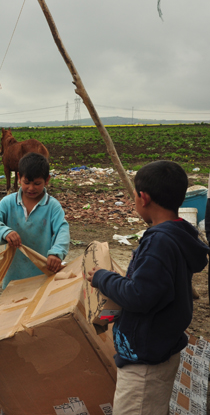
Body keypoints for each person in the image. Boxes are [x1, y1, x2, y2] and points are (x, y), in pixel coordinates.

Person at [86, 161, 209, 415]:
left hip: (145, 365)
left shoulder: (160, 242)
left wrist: (102, 278)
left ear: (143, 198)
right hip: (157, 350)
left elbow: (139, 295)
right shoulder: (176, 235)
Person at [0, 152, 69, 288]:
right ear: (19, 178)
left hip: (41, 274)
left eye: (37, 183)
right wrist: (4, 232)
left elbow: (62, 230)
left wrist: (57, 253)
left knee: (37, 306)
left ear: (47, 180)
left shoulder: (52, 206)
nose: (31, 188)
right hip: (13, 274)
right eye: (26, 182)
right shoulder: (9, 202)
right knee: (11, 305)